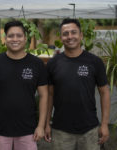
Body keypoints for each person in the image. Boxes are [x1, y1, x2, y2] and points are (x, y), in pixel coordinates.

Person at [0, 20, 48, 150]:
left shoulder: (36, 64)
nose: (15, 39)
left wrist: (40, 125)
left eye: (19, 35)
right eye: (10, 36)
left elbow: (44, 95)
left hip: (28, 130)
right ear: (5, 38)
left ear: (25, 38)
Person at [45, 18, 110, 150]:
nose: (70, 37)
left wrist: (104, 124)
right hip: (61, 130)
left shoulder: (95, 62)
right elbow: (49, 96)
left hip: (89, 130)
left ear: (81, 35)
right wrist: (46, 124)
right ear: (61, 37)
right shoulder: (53, 63)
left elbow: (105, 93)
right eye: (65, 33)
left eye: (73, 32)